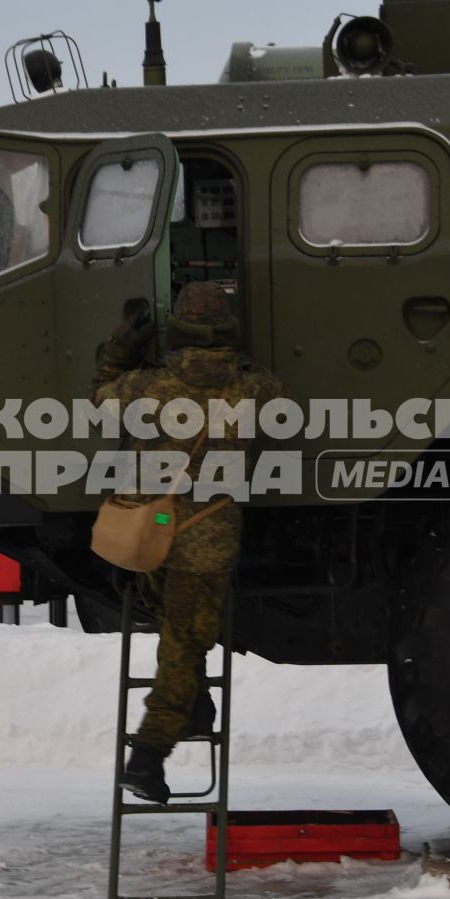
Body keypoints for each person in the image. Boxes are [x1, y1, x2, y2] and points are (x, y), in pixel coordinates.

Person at [92, 280, 287, 803]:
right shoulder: (254, 390)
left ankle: (195, 711)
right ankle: (148, 758)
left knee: (179, 637)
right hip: (208, 541)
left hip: (152, 534)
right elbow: (279, 416)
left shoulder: (146, 387)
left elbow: (99, 399)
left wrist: (120, 350)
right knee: (182, 647)